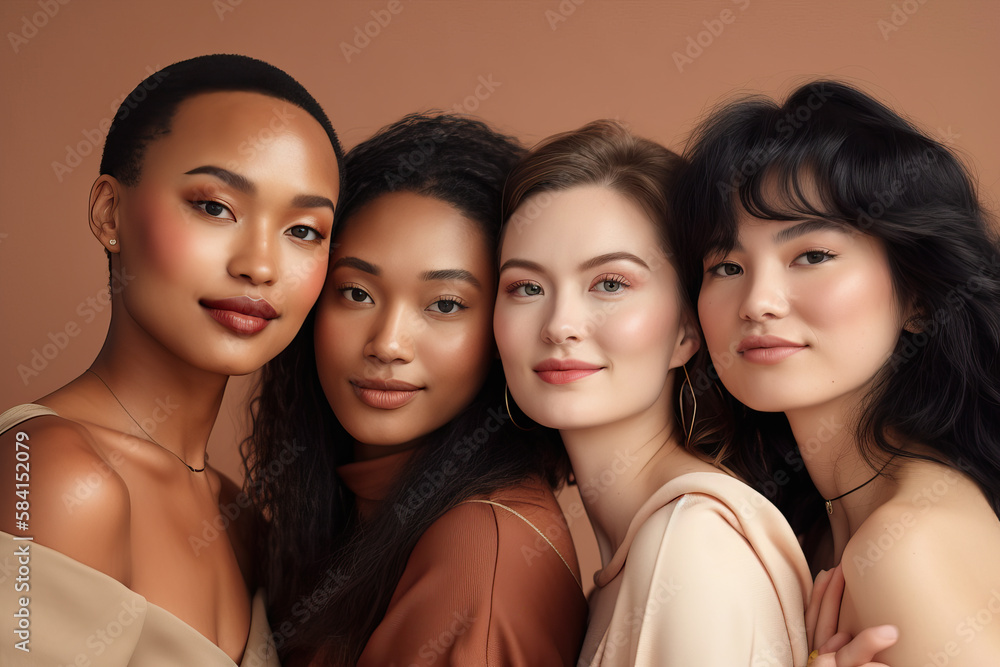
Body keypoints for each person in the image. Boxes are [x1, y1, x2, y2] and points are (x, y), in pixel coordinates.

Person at [493, 119, 898, 666]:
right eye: (527, 287)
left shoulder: (690, 547)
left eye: (610, 284)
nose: (559, 324)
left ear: (688, 329)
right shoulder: (650, 546)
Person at [0, 54, 343, 666]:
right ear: (110, 213)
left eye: (304, 230)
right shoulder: (57, 476)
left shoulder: (241, 522)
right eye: (215, 207)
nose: (260, 265)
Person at [672, 80, 1000, 665]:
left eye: (812, 256)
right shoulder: (809, 525)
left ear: (919, 299)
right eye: (726, 265)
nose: (758, 301)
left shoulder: (905, 549)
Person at [244, 113, 587, 666]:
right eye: (356, 293)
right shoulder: (347, 512)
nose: (387, 343)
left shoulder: (482, 548)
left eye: (445, 305)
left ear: (505, 325)